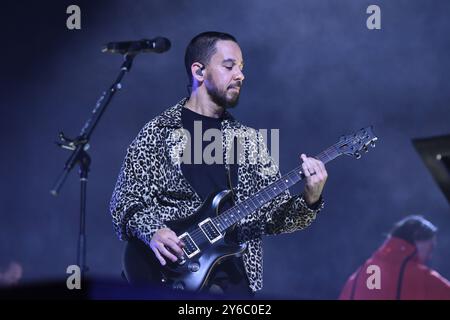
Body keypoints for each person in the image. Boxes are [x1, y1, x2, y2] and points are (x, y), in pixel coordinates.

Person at [110, 31, 328, 297]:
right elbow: (124, 201)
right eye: (229, 66)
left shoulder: (249, 141)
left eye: (241, 68)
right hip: (169, 276)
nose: (240, 75)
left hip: (234, 282)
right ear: (199, 71)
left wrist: (310, 199)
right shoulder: (159, 132)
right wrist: (154, 231)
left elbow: (275, 217)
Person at [339, 215, 450, 300]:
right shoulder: (421, 276)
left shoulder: (356, 277)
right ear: (417, 238)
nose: (430, 255)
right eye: (430, 247)